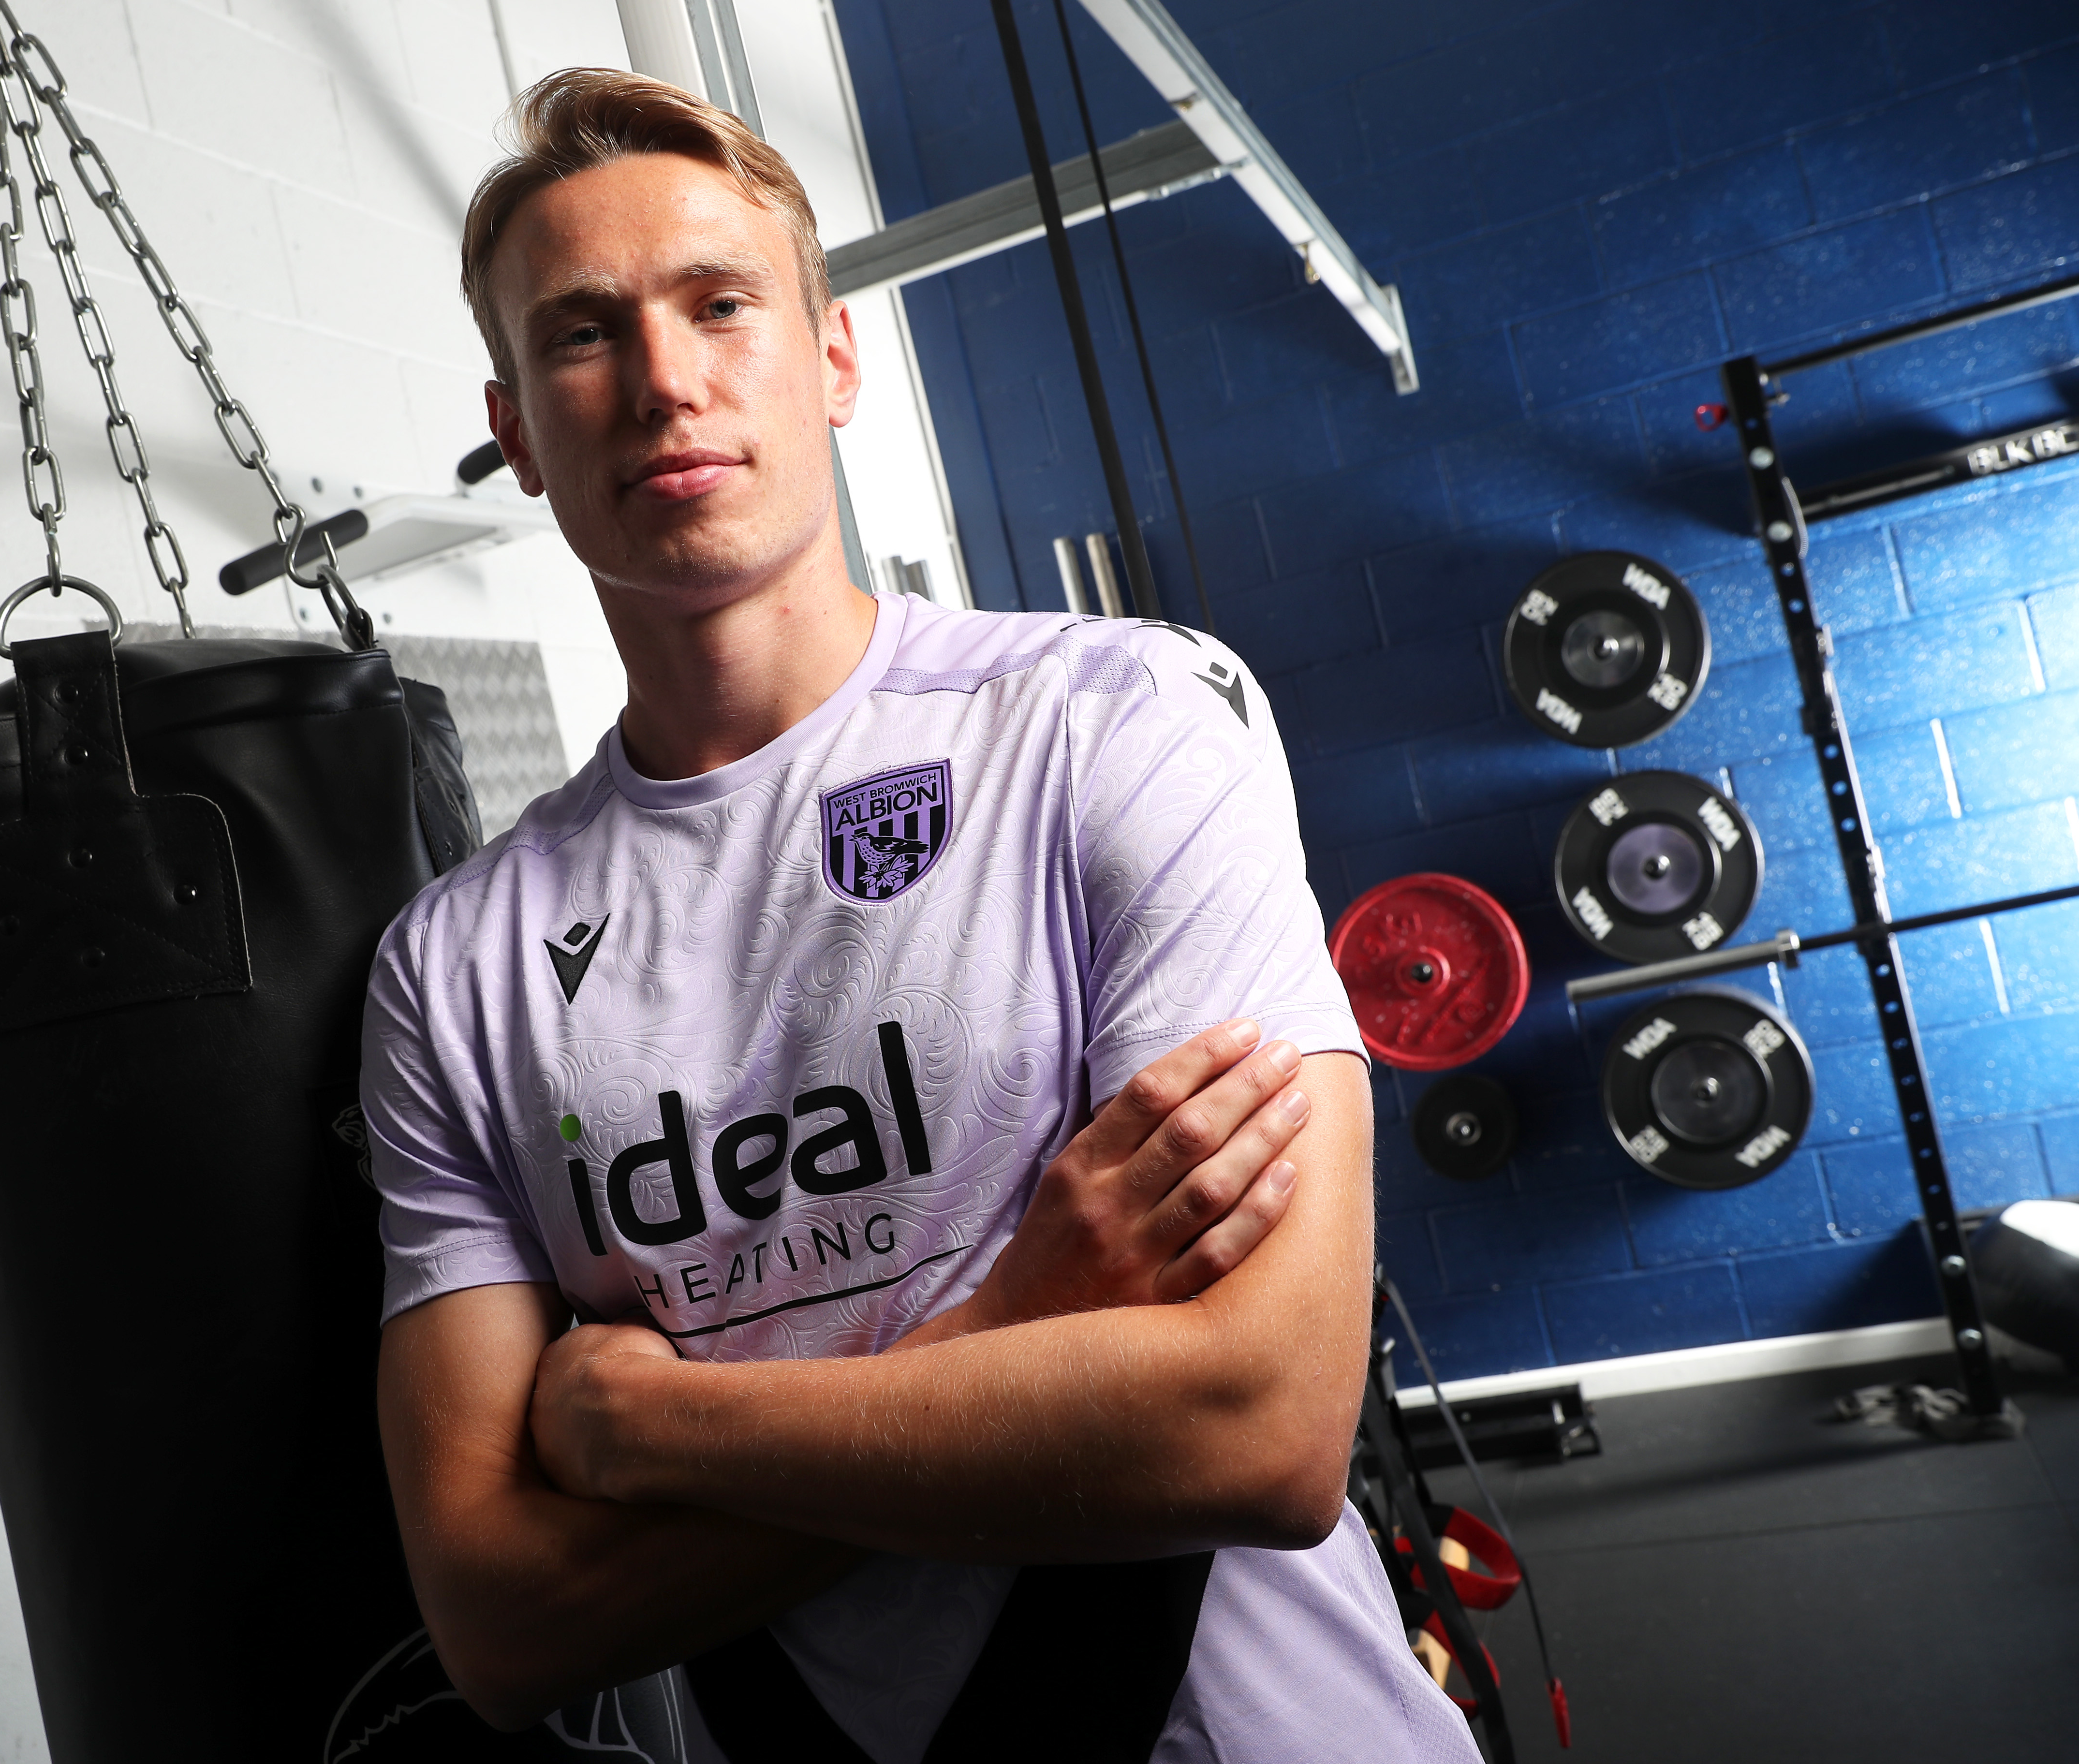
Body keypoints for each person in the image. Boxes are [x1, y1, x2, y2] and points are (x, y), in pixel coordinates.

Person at [366, 67, 1476, 1764]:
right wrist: (1021, 1322)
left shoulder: (1121, 720)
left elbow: (1260, 1427)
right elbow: (504, 1623)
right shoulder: (454, 971)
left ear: (830, 359)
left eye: (719, 305)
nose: (664, 382)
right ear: (515, 426)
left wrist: (659, 1433)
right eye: (582, 336)